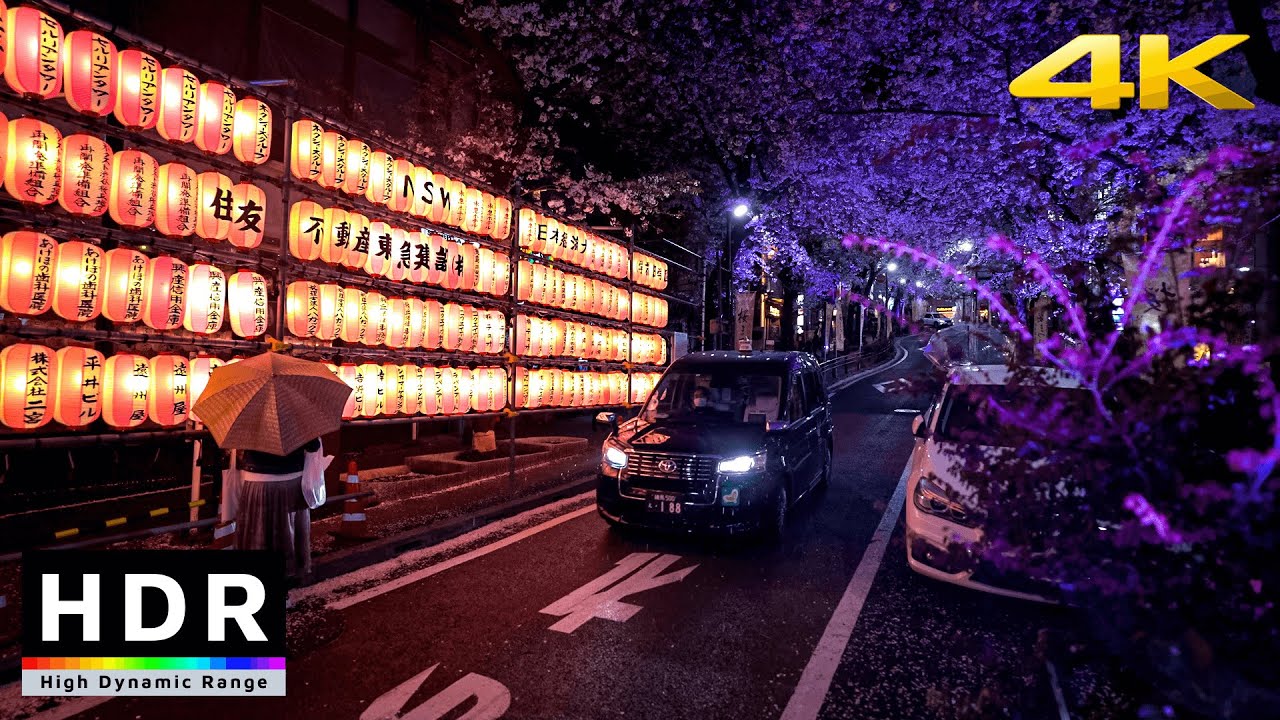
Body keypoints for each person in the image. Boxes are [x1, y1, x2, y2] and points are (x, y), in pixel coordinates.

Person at [222, 437, 324, 581]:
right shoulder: (296, 418)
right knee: (286, 532)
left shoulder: (250, 418)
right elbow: (313, 445)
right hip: (289, 480)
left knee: (257, 529)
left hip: (256, 480)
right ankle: (287, 573)